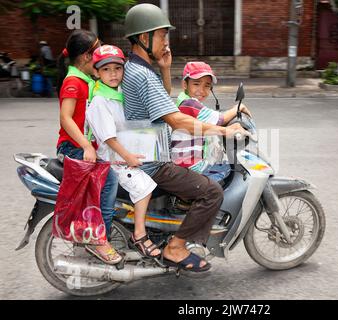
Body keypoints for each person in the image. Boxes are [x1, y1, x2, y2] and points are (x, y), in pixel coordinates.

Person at [122, 3, 248, 272]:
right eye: (162, 36)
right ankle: (176, 248)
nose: (166, 42)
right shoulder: (142, 74)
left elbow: (161, 99)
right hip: (152, 162)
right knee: (212, 191)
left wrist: (165, 68)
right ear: (145, 38)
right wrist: (226, 130)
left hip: (145, 152)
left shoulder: (137, 68)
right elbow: (177, 119)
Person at [86, 44, 161, 258]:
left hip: (122, 155)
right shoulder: (100, 100)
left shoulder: (117, 94)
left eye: (117, 69)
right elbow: (108, 137)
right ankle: (139, 234)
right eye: (106, 69)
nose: (113, 74)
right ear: (96, 72)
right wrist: (128, 157)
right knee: (144, 186)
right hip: (112, 161)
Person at [55, 30, 122, 265]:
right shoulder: (73, 82)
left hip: (84, 145)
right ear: (86, 57)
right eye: (97, 51)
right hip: (73, 147)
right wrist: (86, 146)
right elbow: (66, 118)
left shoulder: (87, 80)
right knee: (110, 179)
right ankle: (99, 239)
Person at [172, 61, 252, 181]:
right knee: (226, 168)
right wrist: (239, 107)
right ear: (185, 84)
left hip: (182, 162)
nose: (202, 90)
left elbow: (210, 117)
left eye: (207, 85)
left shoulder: (183, 100)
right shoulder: (189, 104)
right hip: (192, 166)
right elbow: (221, 119)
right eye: (196, 84)